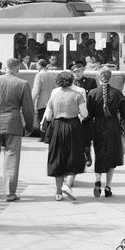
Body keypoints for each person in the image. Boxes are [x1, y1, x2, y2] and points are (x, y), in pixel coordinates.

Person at [0, 57, 35, 202]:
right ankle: (10, 192)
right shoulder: (23, 84)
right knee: (11, 157)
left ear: (6, 67)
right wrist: (29, 126)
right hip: (13, 124)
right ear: (17, 68)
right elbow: (28, 109)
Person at [41, 71, 87, 201]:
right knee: (74, 155)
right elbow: (84, 113)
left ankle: (58, 192)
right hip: (73, 126)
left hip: (57, 126)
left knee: (57, 157)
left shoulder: (54, 95)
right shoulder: (78, 95)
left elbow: (48, 116)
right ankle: (67, 185)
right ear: (71, 81)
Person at [86, 68, 125, 198]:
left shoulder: (92, 93)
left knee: (99, 155)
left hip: (98, 127)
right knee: (112, 157)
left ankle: (98, 181)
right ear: (110, 78)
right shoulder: (118, 93)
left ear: (99, 78)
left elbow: (89, 114)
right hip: (113, 127)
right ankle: (108, 187)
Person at [70, 60, 97, 166]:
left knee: (86, 138)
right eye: (75, 71)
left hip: (87, 115)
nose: (77, 73)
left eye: (79, 71)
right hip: (73, 115)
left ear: (83, 70)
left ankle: (87, 155)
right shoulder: (70, 83)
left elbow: (94, 98)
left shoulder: (91, 82)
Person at [31, 57, 56, 134]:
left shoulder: (39, 75)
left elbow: (36, 90)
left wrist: (30, 101)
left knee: (41, 121)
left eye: (37, 65)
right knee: (49, 121)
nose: (36, 67)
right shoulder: (52, 75)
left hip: (42, 102)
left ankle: (43, 137)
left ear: (40, 66)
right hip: (51, 102)